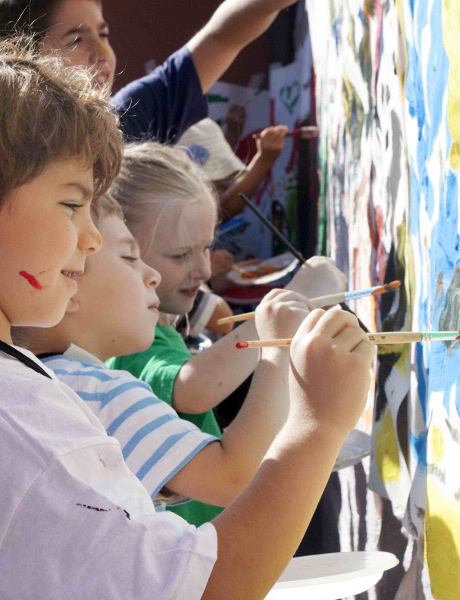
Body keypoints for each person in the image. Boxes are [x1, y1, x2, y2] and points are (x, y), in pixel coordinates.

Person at [0, 31, 376, 599]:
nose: (91, 238)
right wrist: (318, 423)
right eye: (71, 204)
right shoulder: (14, 420)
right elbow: (214, 586)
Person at [16, 194, 311, 509]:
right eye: (130, 258)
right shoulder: (94, 393)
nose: (152, 275)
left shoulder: (38, 384)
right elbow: (234, 479)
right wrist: (278, 346)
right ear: (67, 283)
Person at [106, 142, 347, 525]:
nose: (203, 269)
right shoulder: (130, 343)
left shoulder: (160, 327)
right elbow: (195, 387)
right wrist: (288, 307)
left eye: (206, 248)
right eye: (181, 255)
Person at [0, 0, 300, 143]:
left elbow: (220, 37)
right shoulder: (6, 169)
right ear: (17, 60)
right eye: (75, 39)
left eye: (103, 34)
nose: (102, 54)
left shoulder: (126, 119)